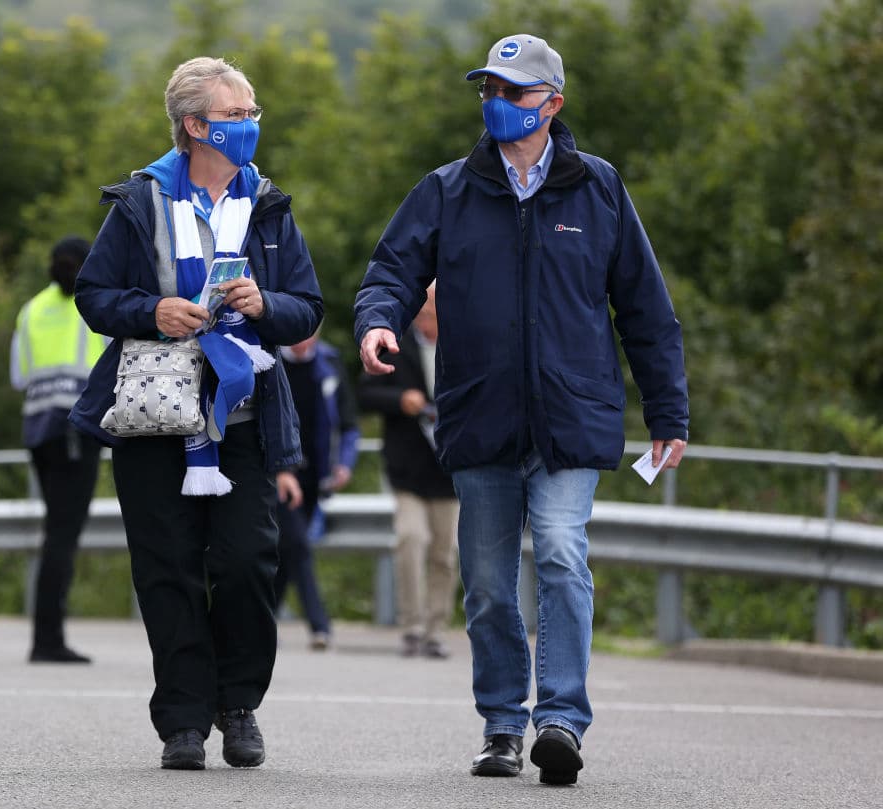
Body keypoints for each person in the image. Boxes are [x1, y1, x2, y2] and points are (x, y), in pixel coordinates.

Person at [354, 34, 689, 786]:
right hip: (481, 418)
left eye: (514, 92)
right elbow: (392, 269)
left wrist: (669, 412)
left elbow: (646, 311)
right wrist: (378, 320)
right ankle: (502, 722)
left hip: (572, 418)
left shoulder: (600, 190)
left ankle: (561, 719)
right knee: (487, 582)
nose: (498, 104)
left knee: (564, 553)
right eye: (489, 92)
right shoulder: (448, 189)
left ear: (553, 104)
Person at [69, 56, 323, 771]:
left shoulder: (269, 204)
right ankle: (183, 719)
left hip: (241, 417)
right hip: (154, 416)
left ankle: (237, 702)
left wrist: (264, 304)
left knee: (248, 562)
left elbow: (308, 306)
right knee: (167, 569)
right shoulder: (140, 200)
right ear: (195, 125)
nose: (252, 125)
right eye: (239, 115)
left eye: (252, 113)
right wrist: (152, 309)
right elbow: (94, 296)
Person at [11, 236, 106, 664]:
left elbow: (18, 376)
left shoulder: (31, 309)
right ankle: (47, 640)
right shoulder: (94, 307)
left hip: (38, 431)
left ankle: (46, 635)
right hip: (76, 430)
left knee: (55, 533)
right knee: (62, 539)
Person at [357, 283, 459, 659]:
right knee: (411, 539)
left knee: (444, 553)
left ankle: (436, 629)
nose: (429, 319)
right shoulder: (395, 343)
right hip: (408, 467)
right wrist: (401, 400)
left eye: (435, 312)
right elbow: (365, 394)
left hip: (449, 469)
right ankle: (413, 627)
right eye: (425, 312)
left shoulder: (461, 342)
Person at [275, 331, 360, 651]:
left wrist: (345, 465)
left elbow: (348, 423)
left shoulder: (330, 363)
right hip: (281, 472)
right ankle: (319, 625)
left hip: (314, 477)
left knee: (288, 550)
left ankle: (263, 620)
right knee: (298, 543)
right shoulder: (270, 359)